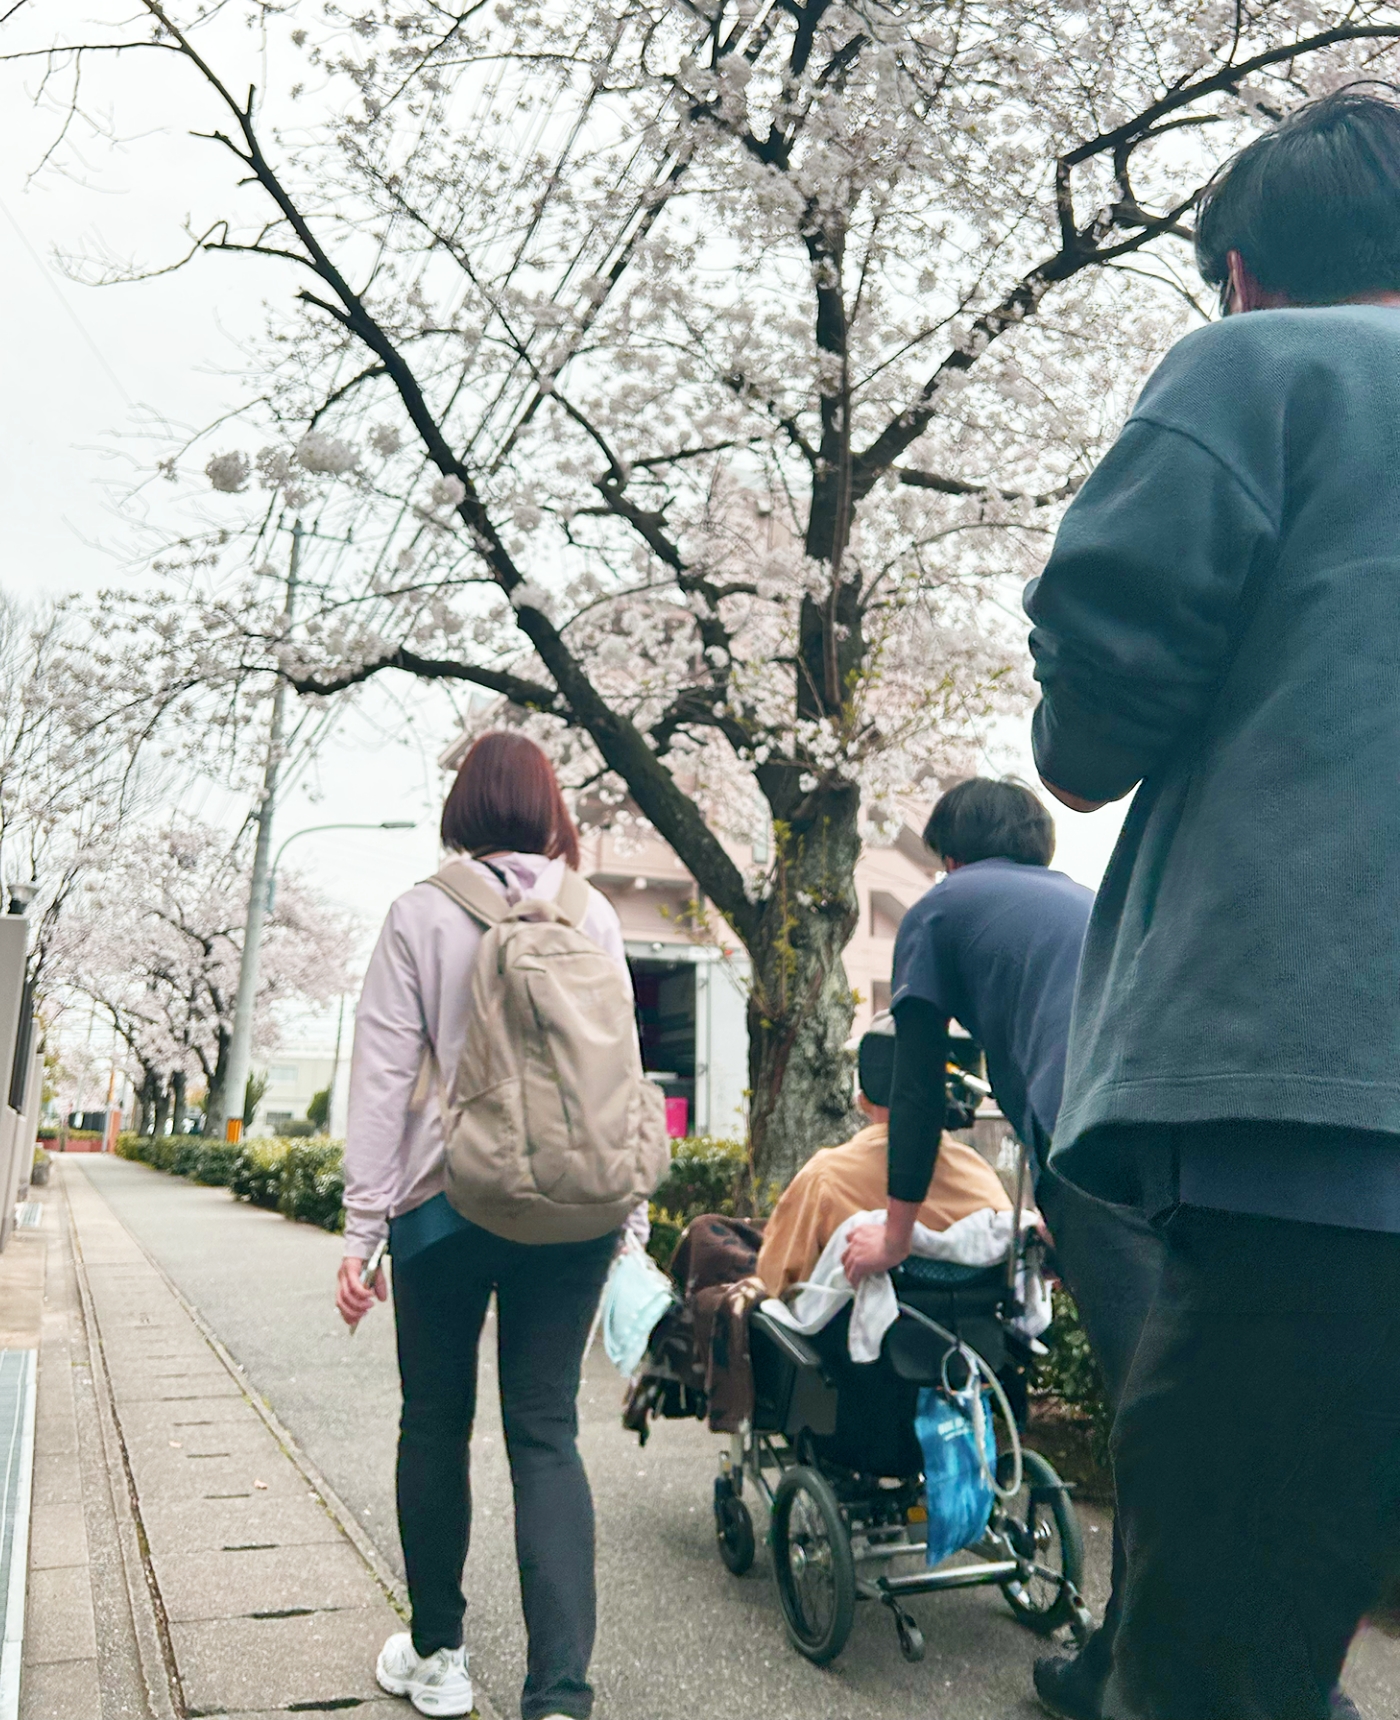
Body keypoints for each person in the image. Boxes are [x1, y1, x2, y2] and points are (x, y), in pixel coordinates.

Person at [1022, 87, 1400, 1720]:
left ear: (1242, 274)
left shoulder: (1260, 371)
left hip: (1303, 1143)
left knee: (1218, 1671)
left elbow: (1088, 730)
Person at [840, 776, 1166, 1720]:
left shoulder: (941, 909)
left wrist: (897, 1234)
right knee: (1183, 1394)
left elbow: (910, 1087)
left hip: (1097, 1147)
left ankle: (1130, 1668)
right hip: (1183, 1136)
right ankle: (1149, 1653)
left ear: (947, 850)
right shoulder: (1085, 901)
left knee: (1148, 1415)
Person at [335, 731, 628, 1720]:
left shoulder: (421, 911)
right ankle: (558, 1693)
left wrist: (359, 1233)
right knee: (546, 1432)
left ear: (460, 810)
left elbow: (381, 1078)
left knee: (435, 1421)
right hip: (574, 1210)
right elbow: (617, 1078)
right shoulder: (591, 913)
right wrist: (621, 1227)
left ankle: (441, 1657)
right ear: (548, 809)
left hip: (444, 1203)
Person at [754, 1013, 1012, 1298]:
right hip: (973, 1333)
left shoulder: (826, 1176)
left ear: (863, 1097)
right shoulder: (980, 1176)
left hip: (850, 1338)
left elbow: (776, 1279)